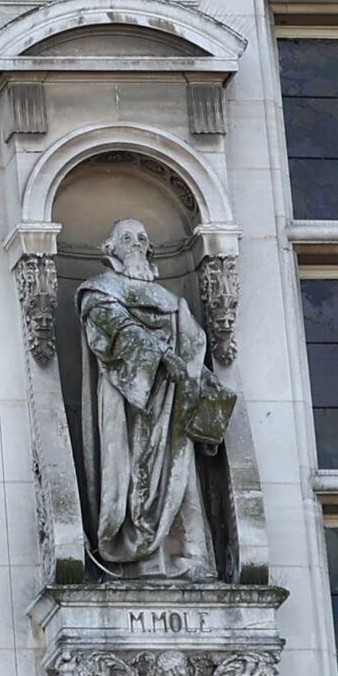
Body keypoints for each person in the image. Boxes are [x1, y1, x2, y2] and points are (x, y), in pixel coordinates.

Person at [76, 217, 229, 578]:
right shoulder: (99, 291)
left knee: (180, 475)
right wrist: (160, 355)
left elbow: (193, 343)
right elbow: (113, 328)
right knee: (133, 477)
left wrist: (199, 381)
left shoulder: (172, 301)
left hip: (172, 402)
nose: (135, 243)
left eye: (141, 237)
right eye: (125, 237)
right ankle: (141, 560)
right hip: (128, 400)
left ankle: (189, 557)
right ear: (109, 249)